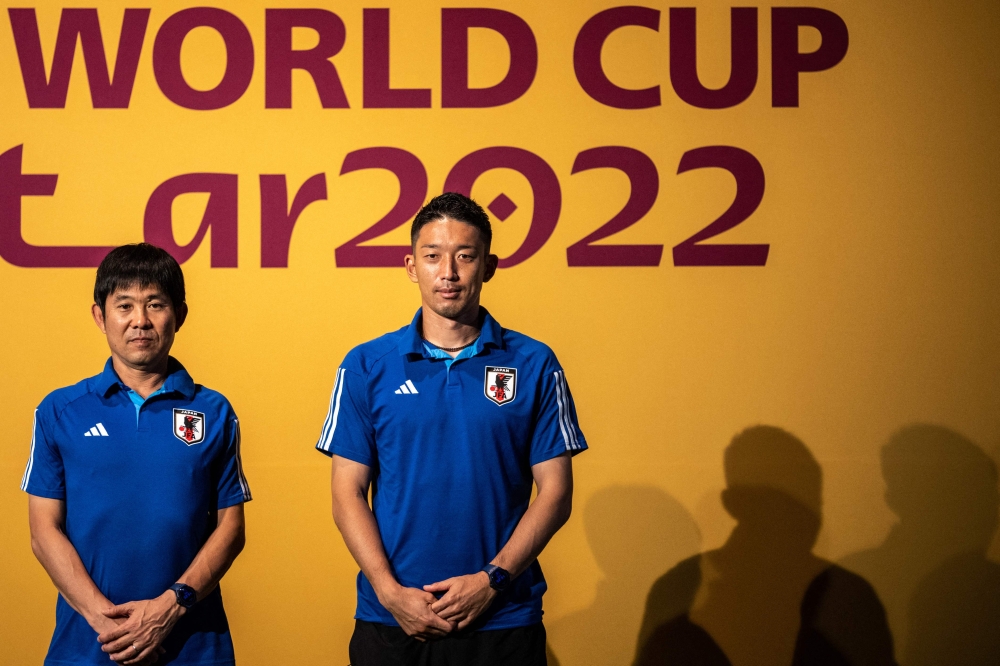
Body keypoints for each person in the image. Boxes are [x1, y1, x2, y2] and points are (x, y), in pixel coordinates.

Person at [316, 192, 587, 665]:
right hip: (392, 619)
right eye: (433, 256)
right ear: (410, 266)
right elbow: (346, 493)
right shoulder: (366, 365)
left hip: (503, 618)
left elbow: (556, 493)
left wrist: (491, 581)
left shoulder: (534, 363)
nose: (449, 272)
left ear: (489, 266)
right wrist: (389, 591)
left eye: (465, 256)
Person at [21, 243, 252, 666]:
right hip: (87, 647)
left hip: (193, 648)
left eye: (155, 305)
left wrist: (172, 606)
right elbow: (43, 532)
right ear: (100, 316)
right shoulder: (59, 410)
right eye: (124, 305)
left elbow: (230, 529)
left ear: (179, 315)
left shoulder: (214, 411)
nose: (140, 321)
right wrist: (105, 621)